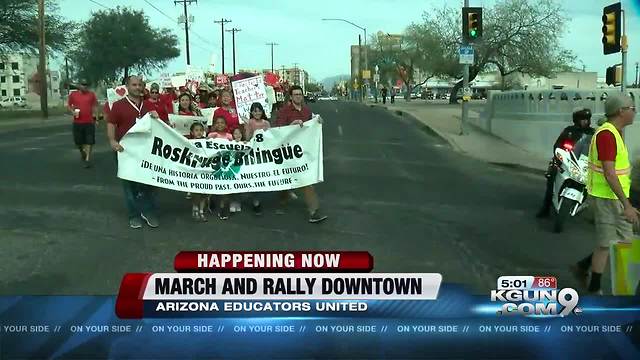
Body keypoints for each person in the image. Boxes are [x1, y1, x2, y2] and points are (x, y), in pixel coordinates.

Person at [570, 94, 638, 295]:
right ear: (621, 111)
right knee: (613, 242)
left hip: (613, 197)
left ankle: (585, 271)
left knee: (615, 241)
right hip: (607, 198)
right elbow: (609, 173)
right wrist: (626, 205)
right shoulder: (607, 135)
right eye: (632, 108)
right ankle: (599, 287)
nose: (634, 112)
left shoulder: (614, 133)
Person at [107, 75, 163, 229]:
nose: (137, 87)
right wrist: (112, 141)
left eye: (140, 85)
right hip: (125, 151)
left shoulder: (148, 106)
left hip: (145, 151)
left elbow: (158, 127)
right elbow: (111, 124)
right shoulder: (118, 105)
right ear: (127, 86)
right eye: (134, 85)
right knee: (129, 184)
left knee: (148, 183)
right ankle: (134, 215)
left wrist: (156, 118)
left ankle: (148, 211)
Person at [275, 85, 327, 223]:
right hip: (287, 153)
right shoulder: (284, 112)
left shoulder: (307, 111)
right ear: (290, 97)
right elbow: (278, 131)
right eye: (295, 94)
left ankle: (313, 211)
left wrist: (319, 122)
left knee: (306, 181)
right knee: (286, 180)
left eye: (300, 94)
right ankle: (283, 199)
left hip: (302, 153)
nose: (298, 96)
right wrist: (292, 124)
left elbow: (313, 125)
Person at [536, 108, 595, 218]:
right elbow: (557, 145)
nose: (585, 121)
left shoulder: (592, 133)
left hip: (583, 163)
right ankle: (545, 208)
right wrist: (560, 155)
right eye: (582, 119)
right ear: (576, 120)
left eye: (587, 119)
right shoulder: (569, 131)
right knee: (552, 177)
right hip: (566, 160)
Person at [244, 102, 271, 215]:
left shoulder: (267, 123)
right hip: (253, 154)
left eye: (259, 110)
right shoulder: (250, 122)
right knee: (255, 176)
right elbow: (247, 138)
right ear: (251, 112)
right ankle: (256, 202)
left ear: (262, 111)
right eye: (255, 111)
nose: (257, 113)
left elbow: (271, 138)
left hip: (263, 154)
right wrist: (247, 127)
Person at [67, 79, 98, 168]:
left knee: (89, 141)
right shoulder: (73, 95)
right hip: (77, 122)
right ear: (79, 85)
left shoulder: (91, 95)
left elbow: (95, 106)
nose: (85, 86)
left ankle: (87, 159)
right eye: (83, 84)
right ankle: (82, 152)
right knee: (78, 142)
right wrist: (72, 112)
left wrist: (96, 119)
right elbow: (69, 105)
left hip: (89, 122)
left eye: (86, 85)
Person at [189, 122, 210, 222]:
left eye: (201, 130)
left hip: (204, 170)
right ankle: (195, 209)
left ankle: (202, 211)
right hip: (194, 171)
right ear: (192, 132)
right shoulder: (188, 142)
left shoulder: (207, 142)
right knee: (196, 192)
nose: (199, 132)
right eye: (196, 130)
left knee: (204, 192)